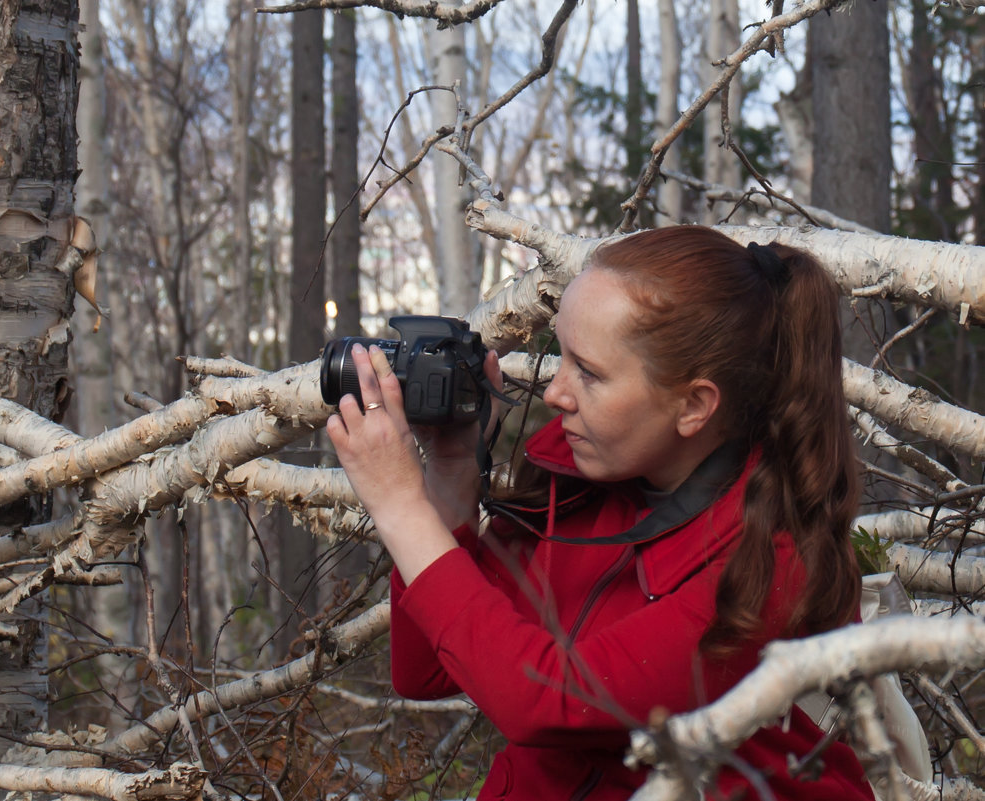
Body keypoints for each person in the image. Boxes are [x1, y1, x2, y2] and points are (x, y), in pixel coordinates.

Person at [326, 226, 876, 801]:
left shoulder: (771, 566)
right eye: (561, 356)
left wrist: (400, 506)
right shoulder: (586, 487)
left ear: (693, 405)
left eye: (588, 373)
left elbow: (547, 702)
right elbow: (428, 672)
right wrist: (449, 472)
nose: (555, 393)